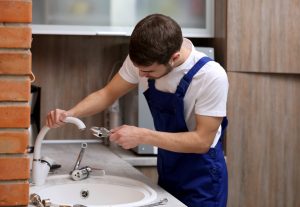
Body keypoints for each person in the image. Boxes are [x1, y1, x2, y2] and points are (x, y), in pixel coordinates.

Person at [46, 14, 229, 207]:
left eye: (148, 72)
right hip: (168, 168)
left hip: (203, 179)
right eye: (138, 68)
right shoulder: (144, 60)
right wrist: (70, 114)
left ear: (174, 58)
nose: (141, 75)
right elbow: (108, 93)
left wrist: (142, 135)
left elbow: (202, 141)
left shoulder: (210, 76)